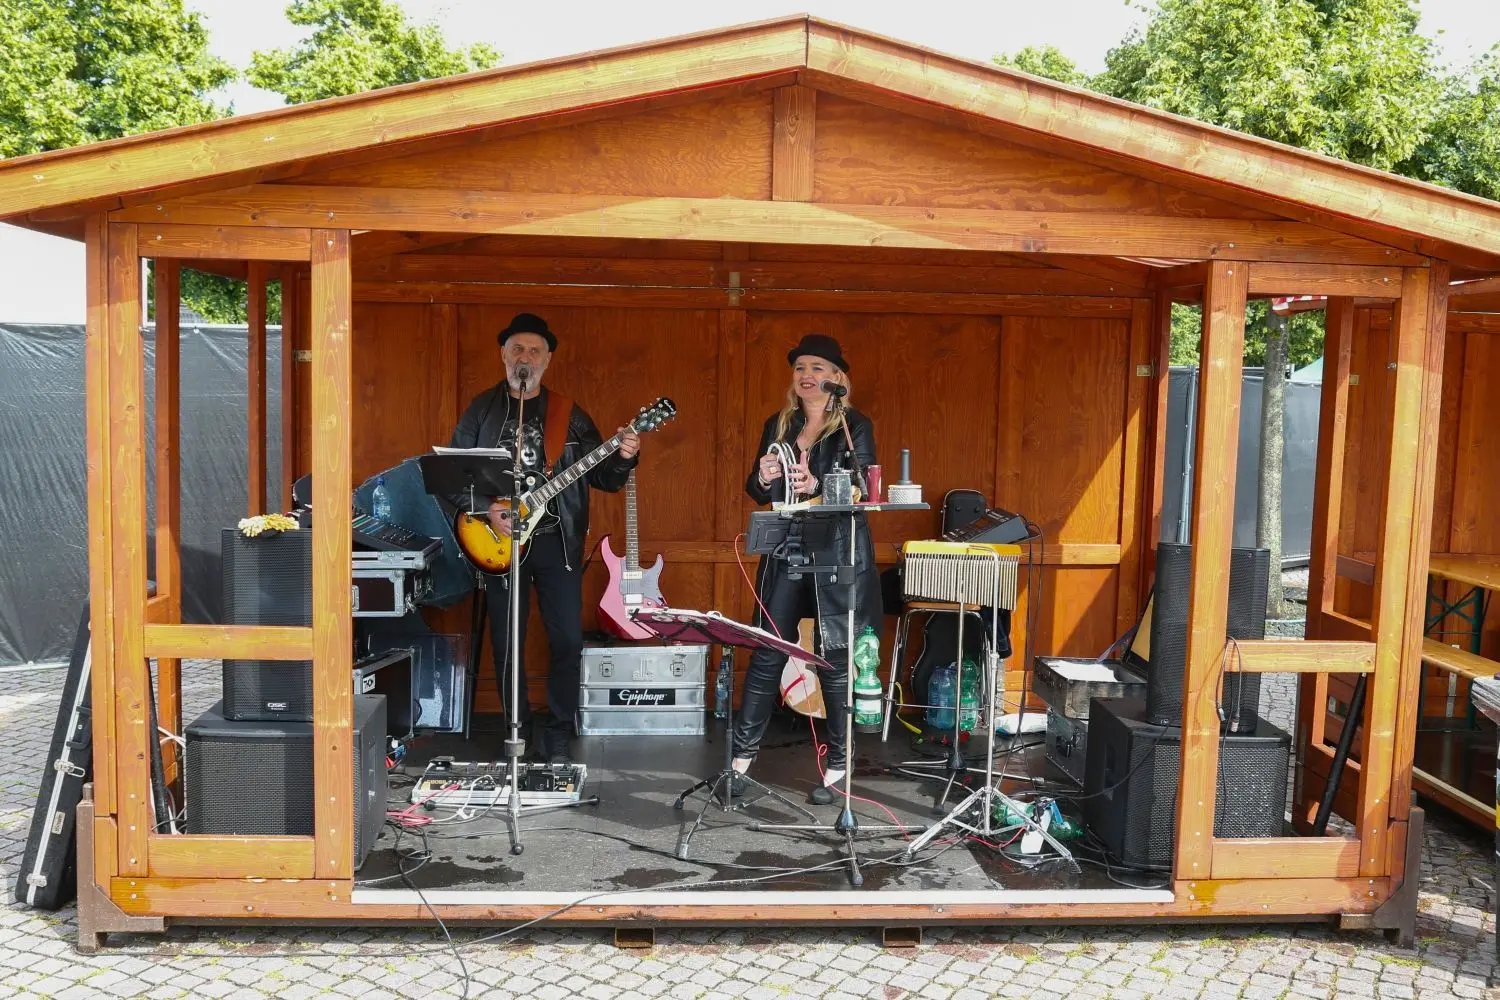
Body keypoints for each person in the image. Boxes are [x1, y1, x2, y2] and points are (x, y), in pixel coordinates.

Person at [448, 312, 640, 764]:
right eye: (517, 349)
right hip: (499, 539)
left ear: (548, 360)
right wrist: (488, 509)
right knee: (507, 642)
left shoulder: (569, 415)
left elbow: (606, 479)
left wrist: (625, 456)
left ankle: (557, 733)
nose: (526, 357)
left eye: (534, 351)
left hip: (558, 543)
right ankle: (516, 731)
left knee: (567, 640)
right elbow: (452, 475)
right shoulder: (482, 410)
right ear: (503, 355)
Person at [733, 333, 881, 804]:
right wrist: (764, 477)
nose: (807, 375)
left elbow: (865, 486)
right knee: (768, 651)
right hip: (786, 545)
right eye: (800, 367)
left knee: (834, 656)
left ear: (837, 378)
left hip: (835, 549)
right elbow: (755, 488)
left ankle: (837, 766)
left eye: (817, 368)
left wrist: (818, 483)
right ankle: (739, 763)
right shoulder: (778, 423)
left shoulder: (854, 425)